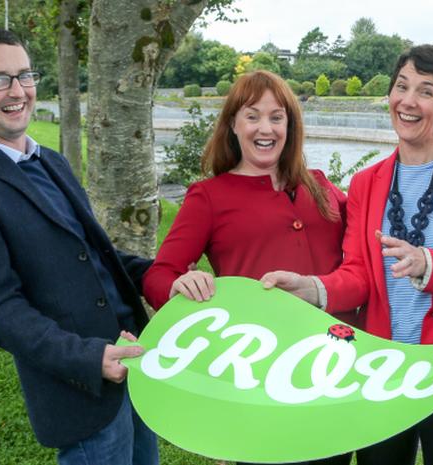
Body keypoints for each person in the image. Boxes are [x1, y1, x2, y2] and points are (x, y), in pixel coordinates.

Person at [262, 45, 433, 465]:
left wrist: (428, 266)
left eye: (426, 91)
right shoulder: (366, 183)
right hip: (381, 372)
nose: (408, 101)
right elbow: (358, 273)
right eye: (401, 86)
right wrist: (312, 288)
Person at [0, 29, 158, 465]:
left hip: (135, 365)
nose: (17, 91)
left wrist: (166, 278)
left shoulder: (51, 161)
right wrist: (90, 359)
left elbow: (99, 254)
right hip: (82, 393)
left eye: (24, 75)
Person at [142, 70, 352, 465]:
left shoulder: (321, 186)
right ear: (233, 126)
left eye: (277, 117)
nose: (265, 128)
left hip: (335, 365)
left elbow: (369, 243)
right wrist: (180, 286)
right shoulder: (209, 196)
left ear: (290, 125)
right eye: (252, 116)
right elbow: (159, 274)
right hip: (262, 375)